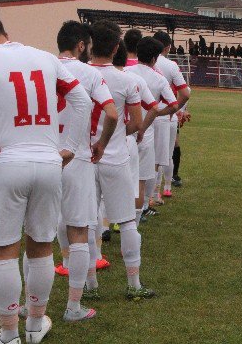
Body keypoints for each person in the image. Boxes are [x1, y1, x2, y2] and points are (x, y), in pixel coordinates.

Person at [0, 12, 92, 344]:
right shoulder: (44, 58)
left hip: (6, 162)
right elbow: (81, 100)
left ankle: (9, 334)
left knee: (4, 252)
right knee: (41, 247)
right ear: (5, 32)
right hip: (48, 162)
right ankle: (35, 325)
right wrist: (69, 146)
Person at [54, 21, 118, 322]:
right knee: (80, 228)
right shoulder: (89, 72)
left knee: (37, 233)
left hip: (43, 154)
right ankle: (74, 305)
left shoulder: (43, 67)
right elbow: (112, 113)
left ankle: (30, 305)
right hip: (77, 155)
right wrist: (101, 144)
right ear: (81, 45)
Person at [88, 20, 156, 300]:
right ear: (117, 47)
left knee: (87, 221)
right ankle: (134, 284)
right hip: (115, 156)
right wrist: (113, 136)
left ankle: (89, 286)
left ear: (90, 46)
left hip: (84, 157)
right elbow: (137, 123)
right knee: (127, 221)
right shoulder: (127, 80)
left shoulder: (76, 74)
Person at [125, 36, 179, 220]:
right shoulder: (159, 79)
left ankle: (112, 221)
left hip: (125, 130)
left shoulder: (125, 71)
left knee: (122, 176)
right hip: (145, 131)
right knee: (141, 179)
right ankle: (137, 217)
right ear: (155, 58)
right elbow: (173, 105)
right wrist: (156, 113)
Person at [152, 31, 191, 200]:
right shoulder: (170, 65)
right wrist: (177, 110)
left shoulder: (143, 63)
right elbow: (186, 91)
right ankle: (165, 188)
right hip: (166, 115)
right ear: (167, 47)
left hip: (146, 113)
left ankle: (151, 195)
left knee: (150, 157)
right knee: (165, 155)